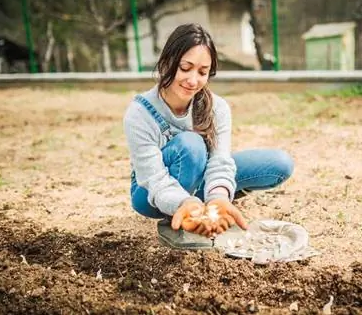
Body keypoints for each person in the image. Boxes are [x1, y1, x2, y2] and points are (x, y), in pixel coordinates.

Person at [123, 23, 293, 240]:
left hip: (198, 180)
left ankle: (204, 204)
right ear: (167, 62)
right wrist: (184, 203)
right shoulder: (139, 113)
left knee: (279, 164)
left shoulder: (217, 108)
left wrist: (220, 197)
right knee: (191, 145)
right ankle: (182, 211)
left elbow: (220, 161)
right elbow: (153, 178)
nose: (193, 81)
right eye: (185, 68)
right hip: (149, 192)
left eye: (202, 72)